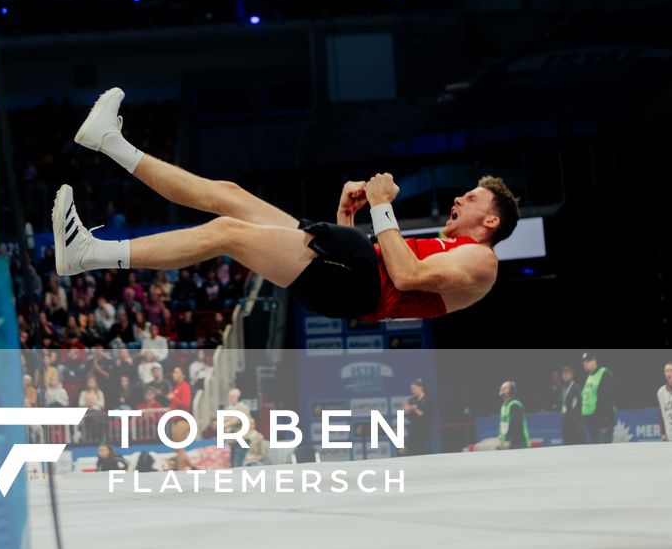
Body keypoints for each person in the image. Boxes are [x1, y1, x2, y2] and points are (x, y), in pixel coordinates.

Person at [52, 88, 517, 321]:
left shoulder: (481, 261)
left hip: (357, 287)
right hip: (353, 270)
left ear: (491, 220)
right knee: (230, 196)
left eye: (471, 197)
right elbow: (386, 263)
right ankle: (109, 141)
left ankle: (91, 253)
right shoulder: (450, 247)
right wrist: (348, 217)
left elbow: (406, 277)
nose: (458, 197)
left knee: (226, 233)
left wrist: (382, 207)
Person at [580, 352, 616, 445]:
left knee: (603, 451)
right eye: (584, 361)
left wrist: (605, 420)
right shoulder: (589, 376)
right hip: (591, 420)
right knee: (594, 452)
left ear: (595, 361)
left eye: (588, 361)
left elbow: (608, 398)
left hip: (602, 421)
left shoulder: (604, 373)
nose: (585, 363)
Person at [403, 379, 433, 456]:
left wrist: (415, 409)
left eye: (414, 389)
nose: (412, 391)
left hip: (424, 430)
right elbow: (409, 416)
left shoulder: (428, 400)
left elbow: (426, 415)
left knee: (425, 450)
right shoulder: (412, 400)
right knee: (412, 450)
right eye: (411, 389)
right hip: (413, 429)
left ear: (421, 388)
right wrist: (407, 410)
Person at [496, 379, 529, 449]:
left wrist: (508, 440)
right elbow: (504, 423)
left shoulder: (515, 405)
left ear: (510, 390)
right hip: (508, 442)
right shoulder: (504, 405)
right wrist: (501, 436)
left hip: (518, 442)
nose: (501, 389)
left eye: (504, 388)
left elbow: (514, 424)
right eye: (501, 388)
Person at [558, 362, 583, 445]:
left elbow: (581, 403)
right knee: (567, 443)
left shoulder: (576, 388)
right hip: (565, 420)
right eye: (564, 374)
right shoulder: (563, 388)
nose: (565, 376)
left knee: (575, 443)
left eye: (567, 374)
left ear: (572, 375)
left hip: (574, 421)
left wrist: (577, 418)